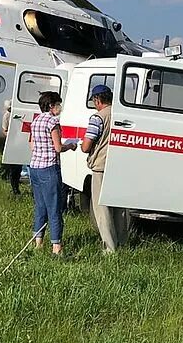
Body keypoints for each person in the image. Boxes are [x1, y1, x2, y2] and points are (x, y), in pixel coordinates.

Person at [29, 90, 76, 255]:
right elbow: (58, 147)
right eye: (58, 104)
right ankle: (56, 246)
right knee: (54, 208)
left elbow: (32, 146)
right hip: (49, 168)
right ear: (51, 106)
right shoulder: (52, 122)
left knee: (40, 206)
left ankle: (38, 242)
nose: (60, 108)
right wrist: (70, 145)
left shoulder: (35, 121)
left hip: (34, 167)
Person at [81, 84, 127, 252]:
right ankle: (122, 241)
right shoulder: (121, 115)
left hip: (101, 167)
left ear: (97, 99)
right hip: (119, 166)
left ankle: (109, 247)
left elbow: (86, 146)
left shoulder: (97, 118)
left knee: (103, 210)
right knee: (119, 208)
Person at [0, 100, 22, 195]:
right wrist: (10, 137)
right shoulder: (6, 116)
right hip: (12, 143)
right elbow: (4, 130)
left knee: (18, 167)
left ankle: (16, 185)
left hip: (19, 142)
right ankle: (14, 187)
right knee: (13, 167)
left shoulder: (19, 114)